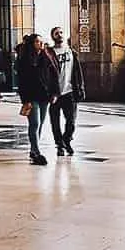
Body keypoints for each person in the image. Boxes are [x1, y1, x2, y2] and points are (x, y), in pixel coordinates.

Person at [16, 34, 61, 166]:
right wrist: (25, 99)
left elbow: (54, 76)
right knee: (34, 123)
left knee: (41, 123)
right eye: (37, 42)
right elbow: (22, 81)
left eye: (41, 42)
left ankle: (33, 149)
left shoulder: (47, 57)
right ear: (31, 43)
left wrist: (55, 93)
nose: (40, 44)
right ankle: (36, 151)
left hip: (45, 95)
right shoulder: (24, 60)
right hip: (31, 96)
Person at [49, 27, 86, 156]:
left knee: (71, 120)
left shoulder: (71, 52)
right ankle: (59, 144)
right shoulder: (49, 53)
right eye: (56, 33)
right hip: (55, 93)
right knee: (55, 121)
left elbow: (78, 72)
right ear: (53, 37)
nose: (59, 35)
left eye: (61, 32)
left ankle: (67, 139)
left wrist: (80, 88)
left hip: (69, 91)